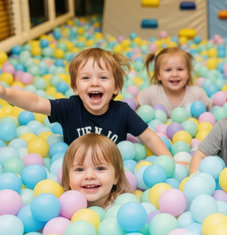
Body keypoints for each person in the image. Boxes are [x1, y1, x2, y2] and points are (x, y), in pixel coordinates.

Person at [0, 47, 171, 156]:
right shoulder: (69, 108)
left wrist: (169, 162)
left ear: (116, 87)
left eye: (103, 77)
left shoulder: (123, 111)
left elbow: (149, 138)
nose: (94, 83)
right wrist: (5, 92)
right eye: (86, 78)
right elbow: (36, 102)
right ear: (75, 87)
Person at [61, 133, 132, 208]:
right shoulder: (63, 207)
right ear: (68, 178)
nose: (89, 176)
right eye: (80, 169)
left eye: (100, 168)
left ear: (116, 177)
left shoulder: (121, 207)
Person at [137, 47, 211, 115]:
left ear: (188, 73)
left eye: (180, 69)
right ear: (158, 75)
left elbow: (212, 108)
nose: (175, 74)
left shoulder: (197, 93)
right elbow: (133, 104)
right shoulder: (152, 92)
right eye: (168, 70)